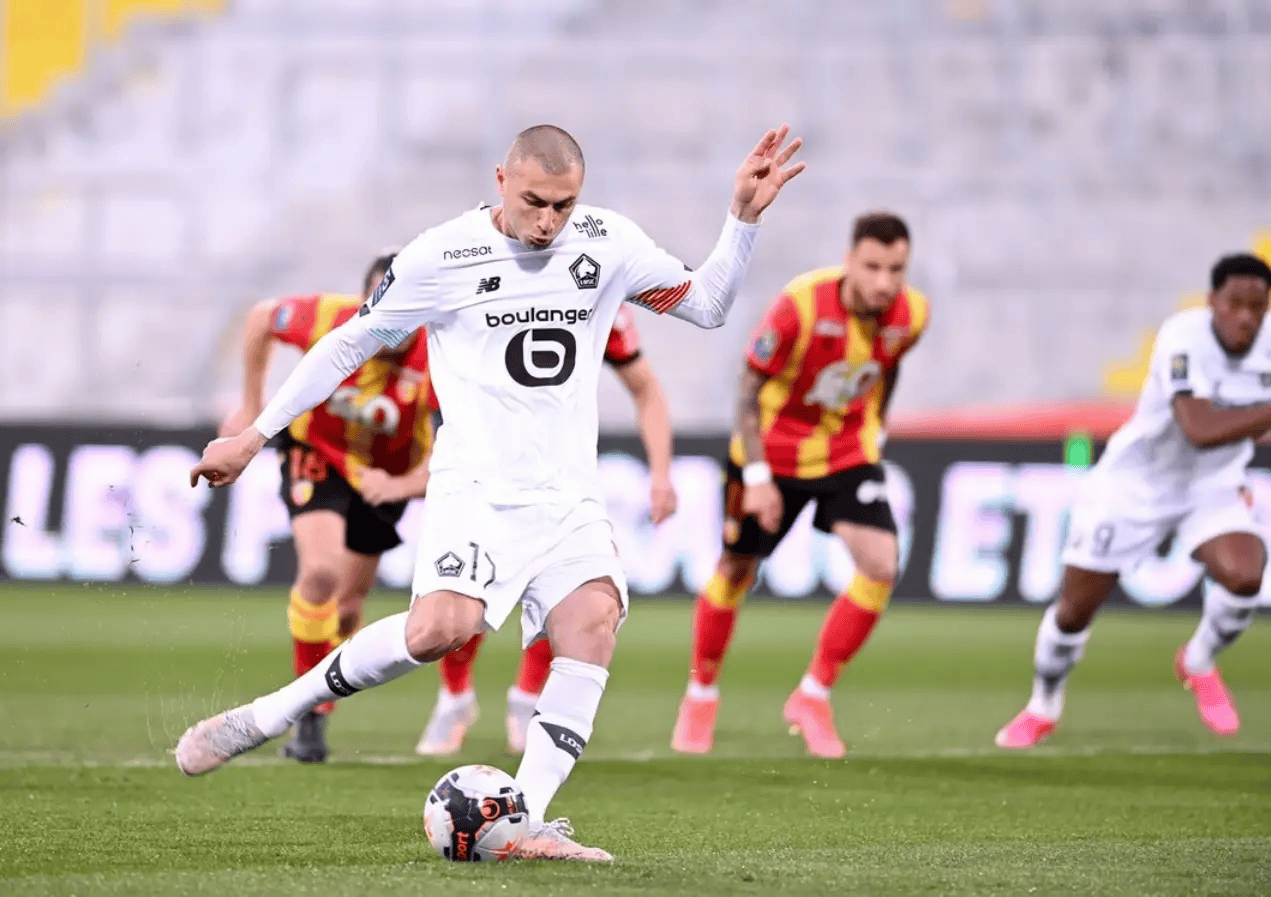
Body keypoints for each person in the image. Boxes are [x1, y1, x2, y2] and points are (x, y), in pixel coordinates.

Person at [177, 123, 804, 862]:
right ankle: (269, 714)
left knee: (594, 621)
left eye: (563, 205)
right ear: (501, 181)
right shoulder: (441, 255)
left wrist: (742, 219)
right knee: (437, 631)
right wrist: (255, 434)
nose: (547, 222)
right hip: (476, 489)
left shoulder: (607, 241)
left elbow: (708, 305)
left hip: (567, 495)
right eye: (534, 202)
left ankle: (524, 819)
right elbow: (348, 343)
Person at [670, 212, 928, 759]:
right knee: (736, 569)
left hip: (845, 452)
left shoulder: (913, 314)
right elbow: (748, 387)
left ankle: (813, 695)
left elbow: (889, 365)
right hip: (772, 453)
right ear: (850, 261)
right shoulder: (801, 306)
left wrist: (878, 428)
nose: (885, 282)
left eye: (896, 269)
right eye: (873, 267)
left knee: (881, 565)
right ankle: (701, 694)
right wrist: (758, 477)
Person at [996, 253, 1271, 749]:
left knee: (1246, 576)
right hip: (1135, 484)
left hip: (1211, 485)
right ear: (1212, 301)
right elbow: (1198, 428)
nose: (1246, 318)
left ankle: (1198, 661)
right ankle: (1043, 704)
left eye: (1258, 307)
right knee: (1074, 611)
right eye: (1235, 305)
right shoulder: (1183, 337)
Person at [416, 305, 678, 757]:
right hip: (482, 472)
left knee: (567, 589)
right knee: (465, 591)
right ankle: (455, 697)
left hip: (559, 475)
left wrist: (661, 473)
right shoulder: (476, 288)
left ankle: (528, 698)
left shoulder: (593, 293)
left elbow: (646, 387)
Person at [220, 251, 437, 763]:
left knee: (348, 607)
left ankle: (321, 698)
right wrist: (251, 404)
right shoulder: (327, 318)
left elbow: (457, 453)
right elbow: (261, 318)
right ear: (367, 301)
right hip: (316, 454)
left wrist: (402, 486)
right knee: (319, 575)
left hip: (387, 477)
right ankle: (310, 719)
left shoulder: (442, 355)